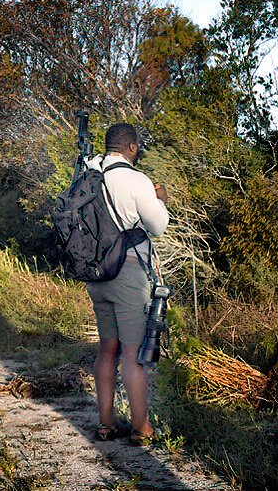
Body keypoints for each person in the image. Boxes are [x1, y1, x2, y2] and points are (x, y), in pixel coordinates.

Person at [81, 123, 169, 446]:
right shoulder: (136, 180)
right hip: (128, 274)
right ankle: (141, 427)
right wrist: (160, 199)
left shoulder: (89, 172)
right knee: (132, 355)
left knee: (107, 349)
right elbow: (157, 226)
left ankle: (105, 424)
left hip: (96, 274)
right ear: (132, 147)